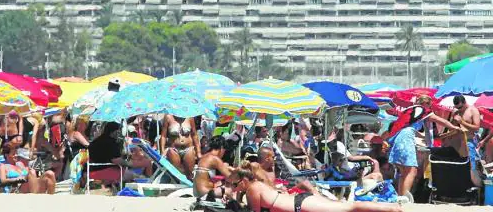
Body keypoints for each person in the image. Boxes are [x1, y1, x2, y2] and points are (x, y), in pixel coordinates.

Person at [226, 161, 403, 212]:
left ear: (243, 181)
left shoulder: (251, 190)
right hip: (300, 202)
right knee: (347, 207)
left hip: (300, 205)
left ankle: (392, 208)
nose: (234, 189)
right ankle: (389, 208)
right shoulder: (258, 184)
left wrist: (234, 200)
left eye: (234, 185)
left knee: (349, 207)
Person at [386, 95, 460, 196]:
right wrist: (453, 127)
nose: (430, 108)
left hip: (396, 139)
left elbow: (411, 130)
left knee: (403, 172)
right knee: (412, 170)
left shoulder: (409, 111)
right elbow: (441, 120)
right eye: (429, 105)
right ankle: (404, 197)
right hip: (406, 138)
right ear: (427, 104)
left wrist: (450, 133)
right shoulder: (423, 110)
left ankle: (400, 196)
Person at [451, 94, 482, 185]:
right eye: (457, 107)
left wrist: (462, 122)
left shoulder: (473, 110)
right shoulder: (457, 112)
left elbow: (476, 127)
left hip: (469, 141)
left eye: (460, 107)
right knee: (458, 165)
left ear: (465, 102)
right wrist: (453, 118)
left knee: (470, 166)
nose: (459, 109)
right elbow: (453, 127)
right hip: (458, 142)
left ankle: (472, 186)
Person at [194, 135, 232, 200]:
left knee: (222, 182)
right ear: (221, 148)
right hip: (205, 193)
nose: (223, 154)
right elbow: (230, 178)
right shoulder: (215, 159)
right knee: (231, 189)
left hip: (197, 192)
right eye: (224, 151)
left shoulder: (205, 156)